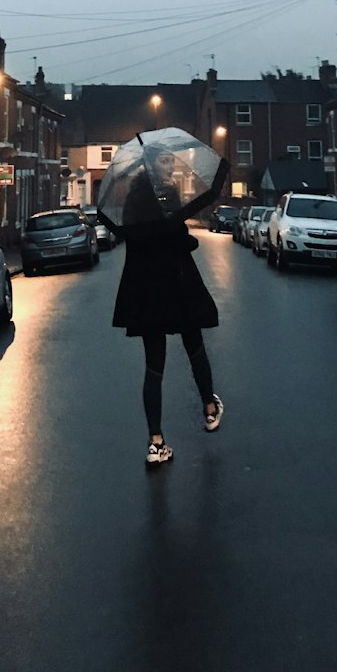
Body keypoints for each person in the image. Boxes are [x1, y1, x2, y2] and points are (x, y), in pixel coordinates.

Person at [112, 150, 224, 465]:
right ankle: (210, 407)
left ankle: (156, 442)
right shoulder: (166, 196)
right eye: (164, 161)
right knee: (194, 344)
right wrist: (189, 241)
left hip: (146, 289)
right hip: (176, 285)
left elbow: (132, 238)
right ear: (149, 165)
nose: (171, 165)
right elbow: (178, 238)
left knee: (154, 364)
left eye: (171, 160)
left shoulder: (133, 200)